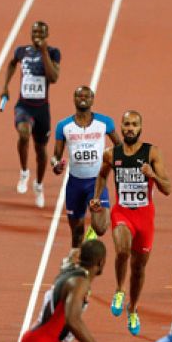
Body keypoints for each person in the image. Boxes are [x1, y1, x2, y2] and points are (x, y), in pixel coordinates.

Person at [91, 110, 171, 336]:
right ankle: (119, 290)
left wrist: (152, 174)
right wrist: (97, 197)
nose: (129, 128)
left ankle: (133, 309)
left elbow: (168, 188)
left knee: (139, 268)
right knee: (122, 250)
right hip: (122, 212)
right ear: (121, 126)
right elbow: (101, 176)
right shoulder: (111, 153)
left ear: (141, 128)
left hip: (145, 217)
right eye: (126, 124)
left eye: (134, 124)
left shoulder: (152, 153)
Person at [21, 239, 115, 342]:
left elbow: (72, 255)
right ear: (102, 262)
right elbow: (73, 320)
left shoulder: (70, 268)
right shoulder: (79, 283)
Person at [51, 86, 121, 248]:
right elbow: (56, 156)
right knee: (76, 233)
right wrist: (56, 165)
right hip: (75, 184)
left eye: (87, 96)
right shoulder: (63, 126)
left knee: (101, 227)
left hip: (97, 183)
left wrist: (116, 164)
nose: (83, 98)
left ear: (92, 99)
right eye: (79, 96)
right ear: (73, 99)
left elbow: (119, 147)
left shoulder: (105, 122)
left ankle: (93, 232)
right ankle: (73, 259)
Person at [1, 21, 60, 208]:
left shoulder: (53, 52)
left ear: (47, 34)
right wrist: (5, 86)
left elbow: (54, 78)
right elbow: (11, 65)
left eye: (41, 32)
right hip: (24, 106)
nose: (37, 35)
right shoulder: (21, 51)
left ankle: (39, 184)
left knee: (41, 151)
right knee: (24, 133)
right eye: (35, 32)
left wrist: (43, 52)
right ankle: (24, 172)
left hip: (42, 109)